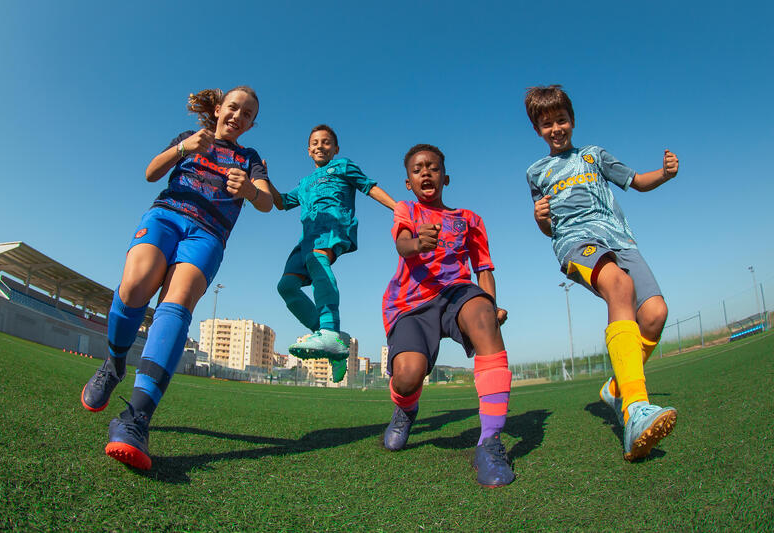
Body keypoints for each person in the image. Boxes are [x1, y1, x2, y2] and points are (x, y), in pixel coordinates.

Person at [80, 86, 272, 470]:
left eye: (247, 113)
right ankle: (114, 364)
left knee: (177, 303)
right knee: (136, 284)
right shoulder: (189, 139)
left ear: (251, 124)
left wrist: (250, 189)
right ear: (219, 109)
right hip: (166, 216)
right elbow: (151, 173)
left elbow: (267, 201)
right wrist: (184, 149)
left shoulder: (251, 159)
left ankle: (136, 418)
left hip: (207, 235)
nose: (237, 115)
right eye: (233, 107)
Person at [524, 84, 679, 461]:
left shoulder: (595, 156)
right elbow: (548, 226)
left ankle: (615, 387)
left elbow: (637, 182)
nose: (556, 128)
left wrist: (665, 173)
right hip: (576, 243)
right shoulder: (536, 172)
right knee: (618, 285)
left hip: (621, 241)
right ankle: (635, 411)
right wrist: (539, 218)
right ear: (537, 129)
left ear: (572, 121)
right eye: (547, 124)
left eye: (561, 120)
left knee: (656, 315)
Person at [381, 144, 514, 488]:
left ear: (445, 176)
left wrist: (490, 305)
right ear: (409, 182)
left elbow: (484, 268)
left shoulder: (470, 220)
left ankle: (489, 443)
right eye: (417, 169)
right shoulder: (406, 208)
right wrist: (417, 245)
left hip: (456, 293)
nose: (426, 172)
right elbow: (402, 244)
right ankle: (405, 410)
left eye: (433, 167)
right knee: (408, 376)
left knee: (482, 312)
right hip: (411, 303)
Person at [270, 124, 396, 382]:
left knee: (317, 260)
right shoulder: (304, 183)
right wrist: (264, 180)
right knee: (286, 286)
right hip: (306, 239)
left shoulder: (343, 167)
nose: (320, 146)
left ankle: (329, 328)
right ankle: (332, 342)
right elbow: (281, 202)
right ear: (308, 150)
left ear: (335, 149)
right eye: (315, 142)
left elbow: (369, 187)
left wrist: (398, 208)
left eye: (326, 142)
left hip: (331, 227)